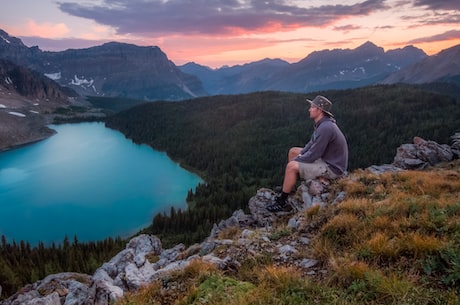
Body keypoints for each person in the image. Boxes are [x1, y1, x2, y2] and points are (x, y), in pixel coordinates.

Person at [267, 95, 348, 212]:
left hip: (332, 168)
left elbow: (314, 154)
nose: (309, 109)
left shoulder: (326, 128)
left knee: (291, 166)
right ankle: (290, 187)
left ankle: (282, 201)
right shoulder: (321, 124)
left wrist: (298, 160)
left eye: (312, 107)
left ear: (319, 110)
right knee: (293, 151)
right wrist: (300, 155)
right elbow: (310, 145)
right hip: (326, 159)